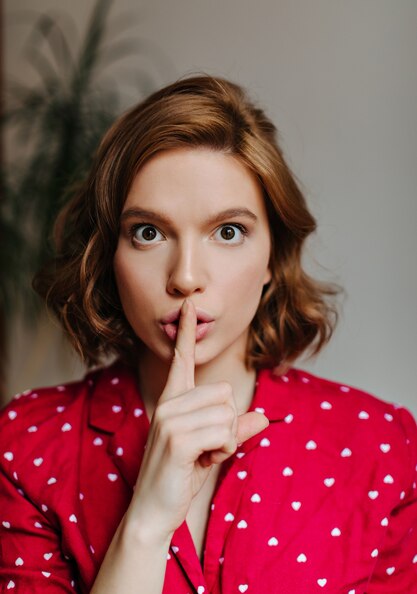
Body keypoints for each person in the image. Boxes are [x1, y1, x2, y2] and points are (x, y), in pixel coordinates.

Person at [0, 75, 416, 594]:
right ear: (108, 254)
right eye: (148, 232)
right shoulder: (25, 445)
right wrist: (146, 525)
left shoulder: (380, 445)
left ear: (273, 256)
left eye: (228, 232)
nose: (186, 276)